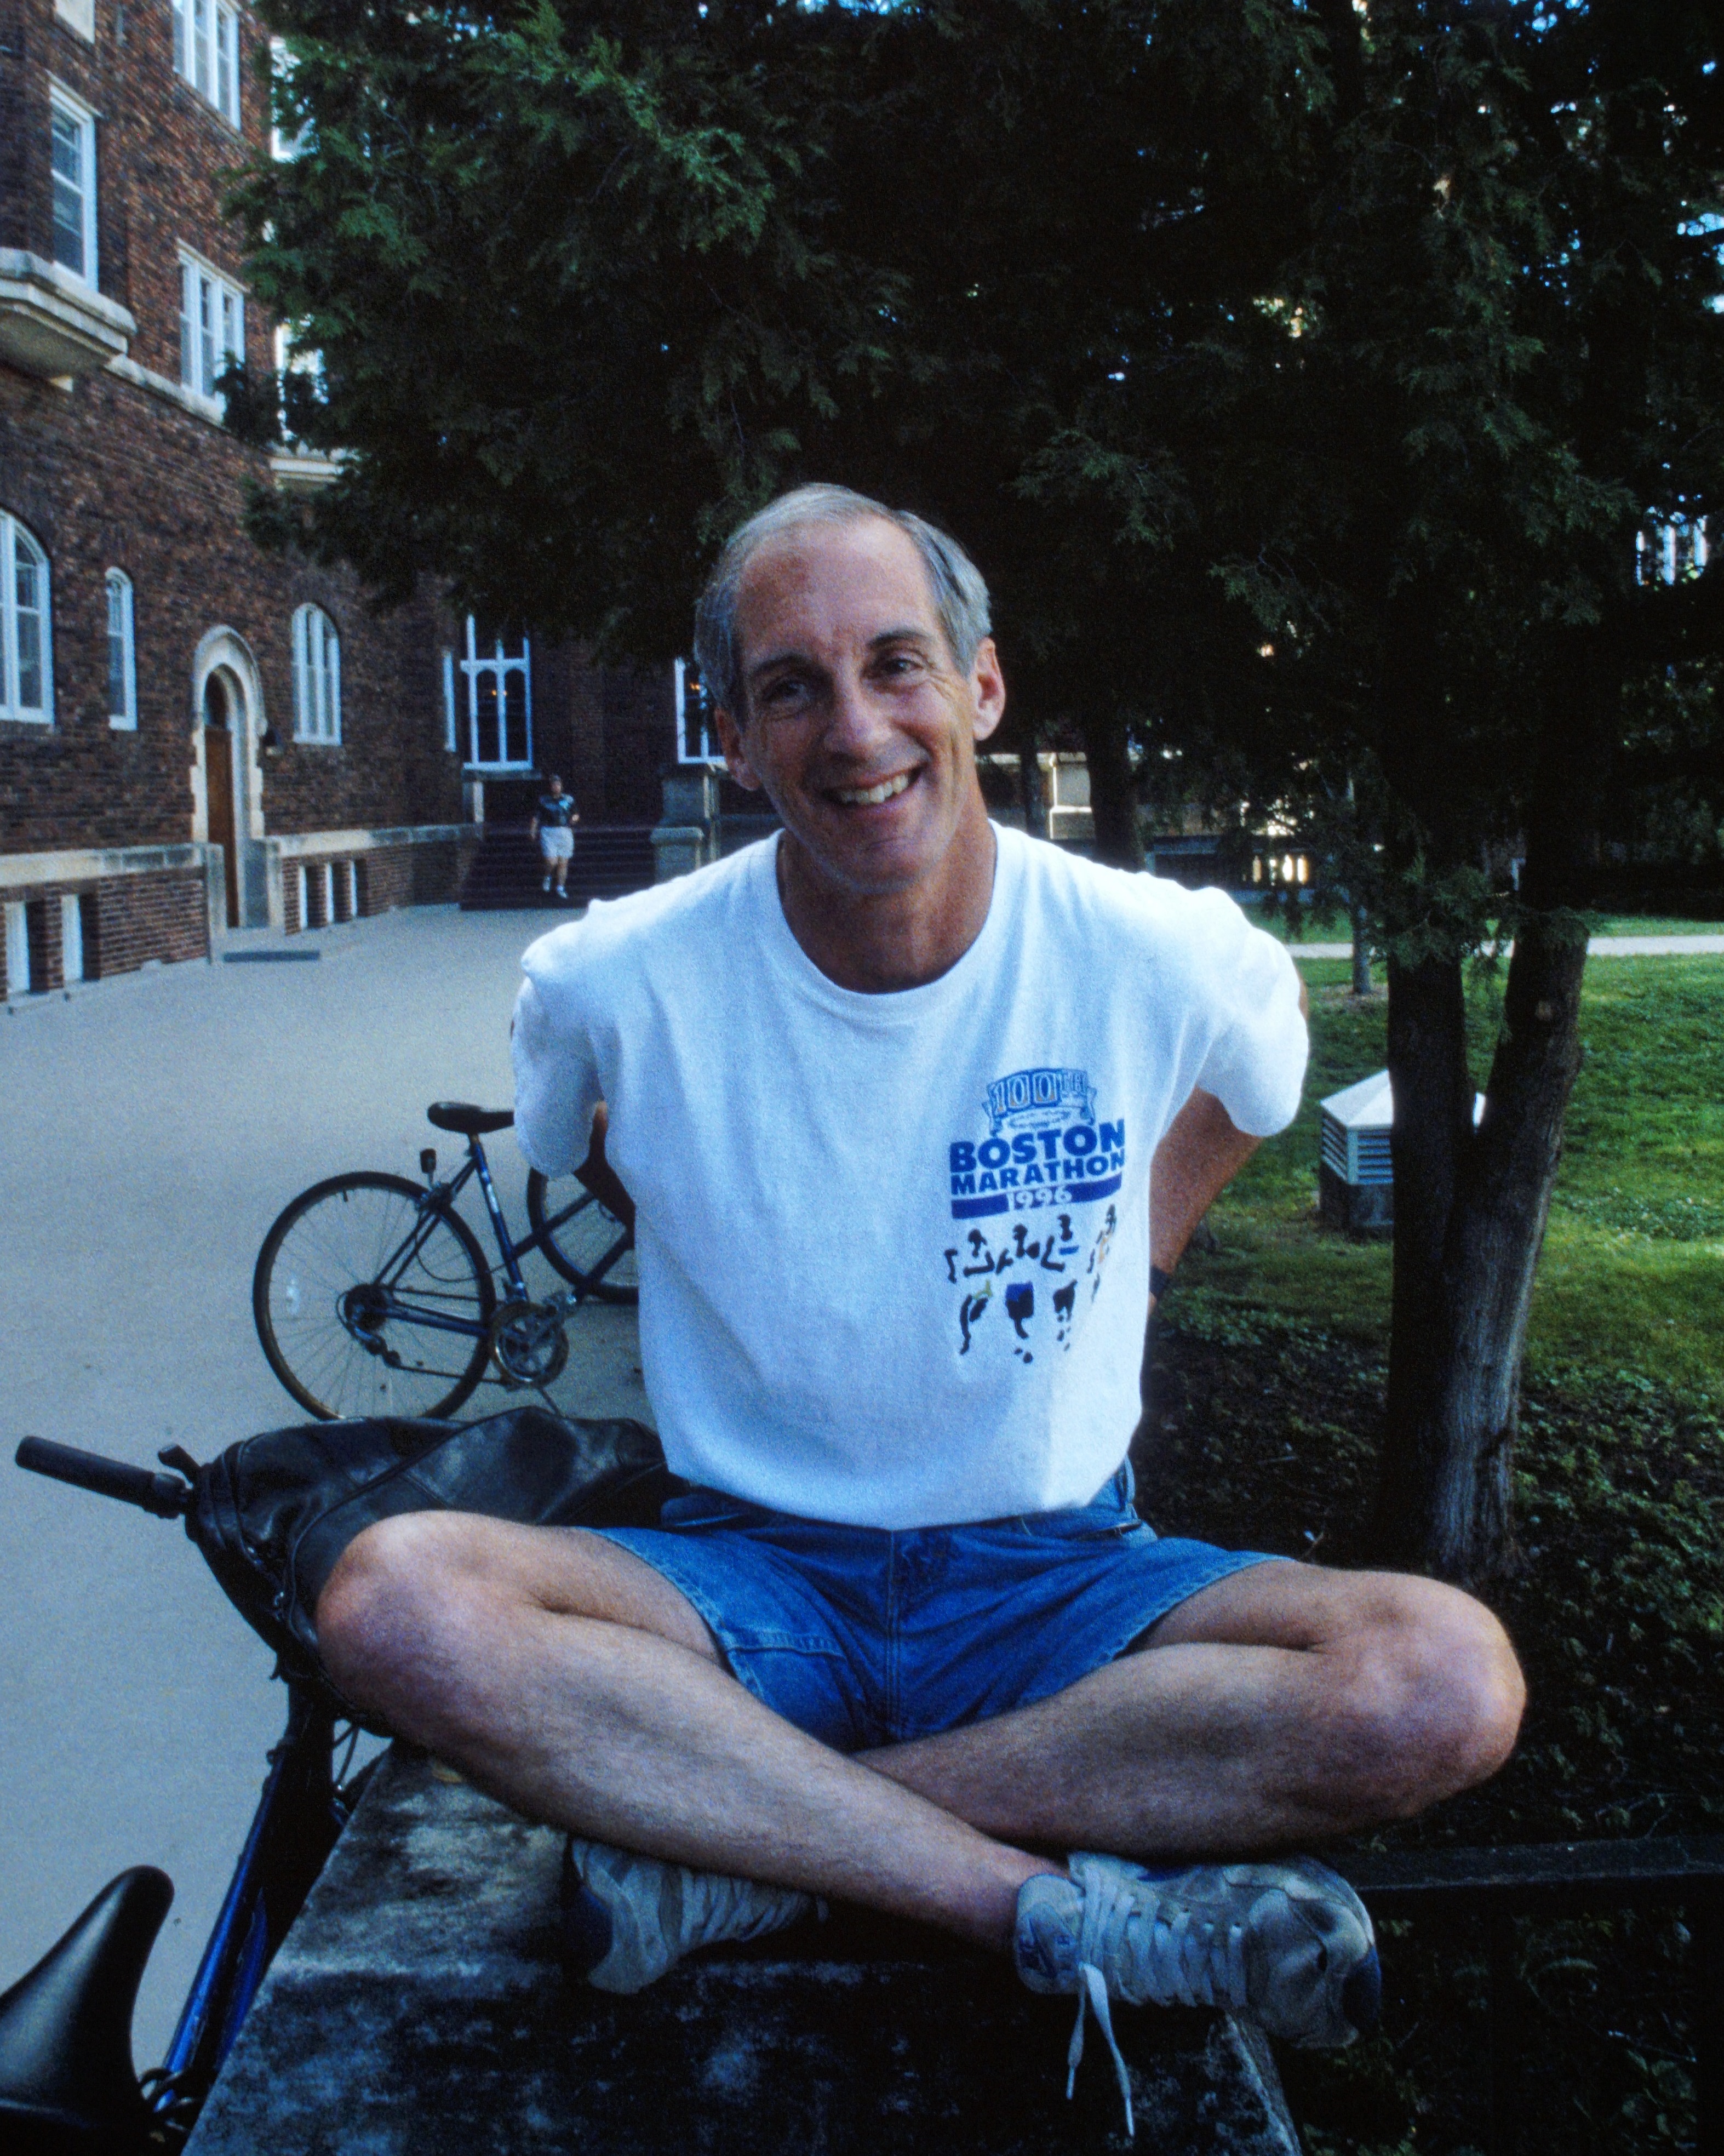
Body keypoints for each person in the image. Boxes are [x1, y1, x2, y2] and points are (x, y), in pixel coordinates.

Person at [317, 485, 1525, 2120]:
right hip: (747, 1584)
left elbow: (1257, 1075)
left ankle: (755, 1847)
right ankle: (1030, 1904)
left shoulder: (1147, 950)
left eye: (896, 663)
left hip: (1060, 1586)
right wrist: (729, 1231)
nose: (854, 727)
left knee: (1443, 1680)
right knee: (391, 1600)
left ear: (981, 687)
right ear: (732, 737)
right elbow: (577, 1140)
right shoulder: (615, 978)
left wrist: (1136, 1245)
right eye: (790, 686)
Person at [531, 773, 579, 900]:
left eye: (558, 784)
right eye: (554, 785)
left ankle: (560, 887)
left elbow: (575, 813)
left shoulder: (568, 799)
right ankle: (548, 876)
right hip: (549, 831)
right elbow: (536, 817)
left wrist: (574, 818)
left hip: (564, 831)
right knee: (552, 861)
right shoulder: (544, 800)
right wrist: (533, 831)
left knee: (563, 862)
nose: (556, 787)